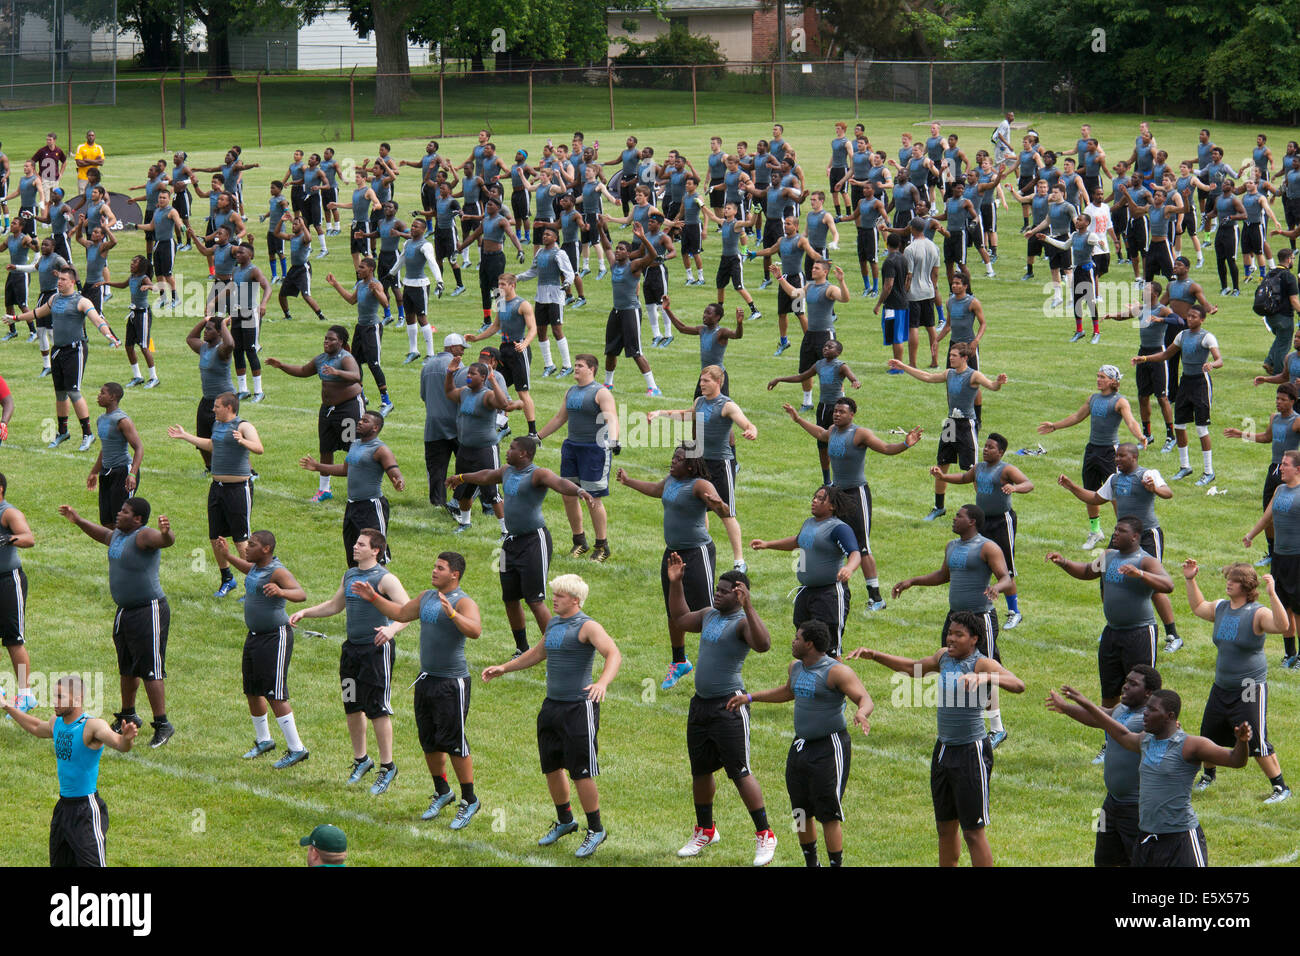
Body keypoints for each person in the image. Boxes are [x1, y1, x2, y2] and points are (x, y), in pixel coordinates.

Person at [848, 610, 1024, 866]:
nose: (951, 638)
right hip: (943, 751)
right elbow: (912, 668)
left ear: (974, 639)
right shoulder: (943, 658)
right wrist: (875, 655)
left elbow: (1018, 685)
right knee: (945, 828)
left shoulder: (981, 663)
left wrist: (984, 676)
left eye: (958, 635)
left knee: (973, 833)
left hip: (970, 753)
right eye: (950, 633)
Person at [481, 573, 622, 859]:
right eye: (554, 593)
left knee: (581, 770)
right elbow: (538, 652)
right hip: (552, 706)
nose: (553, 599)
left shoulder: (588, 626)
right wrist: (505, 668)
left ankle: (595, 829)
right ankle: (566, 820)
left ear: (575, 600)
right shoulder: (555, 623)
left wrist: (602, 683)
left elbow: (613, 654)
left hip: (578, 708)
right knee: (552, 766)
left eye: (559, 595)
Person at [352, 551, 485, 828]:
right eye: (434, 566)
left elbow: (475, 631)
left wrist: (453, 614)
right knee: (429, 740)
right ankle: (442, 791)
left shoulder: (463, 601)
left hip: (452, 683)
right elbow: (400, 613)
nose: (434, 570)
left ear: (454, 575)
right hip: (427, 680)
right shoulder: (426, 597)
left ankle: (469, 799)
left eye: (440, 568)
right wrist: (374, 598)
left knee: (455, 742)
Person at [665, 553, 777, 865]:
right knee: (700, 771)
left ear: (739, 594)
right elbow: (680, 620)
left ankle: (765, 834)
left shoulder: (741, 622)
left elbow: (764, 644)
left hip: (730, 705)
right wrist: (676, 584)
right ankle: (705, 829)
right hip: (701, 705)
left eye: (725, 591)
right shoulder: (709, 614)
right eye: (717, 588)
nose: (717, 593)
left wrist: (750, 606)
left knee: (739, 772)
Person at [1059, 684, 1250, 866]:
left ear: (1169, 716)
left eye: (1152, 710)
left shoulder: (1191, 745)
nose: (1145, 714)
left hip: (1180, 839)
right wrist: (1084, 702)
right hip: (1147, 837)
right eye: (1146, 708)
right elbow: (1119, 731)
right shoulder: (1145, 741)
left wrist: (1242, 742)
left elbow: (1235, 760)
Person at [732, 619, 870, 867]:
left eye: (797, 638)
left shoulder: (836, 671)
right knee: (800, 810)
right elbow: (788, 691)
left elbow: (864, 698)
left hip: (829, 747)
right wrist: (750, 697)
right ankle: (811, 863)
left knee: (828, 813)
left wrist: (861, 713)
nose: (793, 642)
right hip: (800, 747)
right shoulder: (796, 667)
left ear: (809, 643)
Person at [289, 528, 411, 795]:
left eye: (361, 544)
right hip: (351, 652)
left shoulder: (386, 579)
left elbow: (409, 611)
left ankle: (387, 766)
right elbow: (335, 605)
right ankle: (361, 760)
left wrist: (391, 630)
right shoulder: (350, 574)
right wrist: (306, 612)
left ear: (375, 550)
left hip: (376, 651)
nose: (355, 547)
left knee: (377, 708)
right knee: (352, 705)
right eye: (356, 543)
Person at [449, 435, 594, 657]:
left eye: (512, 448)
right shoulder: (507, 470)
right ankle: (522, 648)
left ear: (524, 454)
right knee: (510, 598)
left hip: (534, 541)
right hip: (510, 542)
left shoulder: (538, 474)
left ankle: (554, 650)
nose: (507, 451)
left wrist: (578, 490)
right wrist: (461, 477)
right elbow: (487, 475)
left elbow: (559, 482)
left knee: (535, 600)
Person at [892, 504, 1014, 745]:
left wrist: (996, 588)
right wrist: (912, 581)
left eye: (959, 516)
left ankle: (996, 728)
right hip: (955, 618)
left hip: (980, 619)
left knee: (983, 669)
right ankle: (960, 722)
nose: (954, 519)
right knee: (951, 666)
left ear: (972, 522)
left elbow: (1006, 577)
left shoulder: (987, 547)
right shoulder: (952, 546)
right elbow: (943, 575)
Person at [59, 497, 176, 747]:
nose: (119, 513)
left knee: (151, 668)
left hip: (149, 610)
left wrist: (167, 533)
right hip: (125, 611)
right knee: (127, 667)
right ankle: (128, 713)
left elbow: (164, 541)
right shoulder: (119, 536)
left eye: (124, 511)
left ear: (137, 519)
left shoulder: (143, 536)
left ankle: (163, 724)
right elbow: (102, 534)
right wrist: (78, 520)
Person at [618, 446, 729, 689]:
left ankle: (717, 663)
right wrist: (628, 481)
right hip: (672, 553)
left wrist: (717, 504)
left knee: (708, 612)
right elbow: (656, 490)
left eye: (679, 459)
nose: (673, 461)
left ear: (690, 465)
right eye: (674, 457)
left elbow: (725, 511)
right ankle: (679, 661)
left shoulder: (699, 485)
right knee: (673, 610)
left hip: (697, 553)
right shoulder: (670, 480)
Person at [1182, 560, 1290, 803]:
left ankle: (1280, 787)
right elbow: (1199, 606)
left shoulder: (1257, 613)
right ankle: (1209, 776)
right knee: (1208, 733)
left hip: (1250, 687)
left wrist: (1273, 593)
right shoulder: (1221, 608)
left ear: (1247, 585)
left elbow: (1282, 625)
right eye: (1228, 578)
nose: (1228, 582)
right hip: (1222, 685)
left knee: (1255, 738)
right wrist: (1190, 579)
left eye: (1234, 580)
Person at [2, 675, 138, 867]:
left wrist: (126, 739)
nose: (54, 702)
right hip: (63, 809)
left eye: (59, 697)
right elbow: (34, 726)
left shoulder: (92, 726)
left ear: (76, 700)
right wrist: (7, 706)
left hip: (86, 811)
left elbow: (119, 744)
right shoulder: (56, 723)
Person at [1045, 665, 1162, 866]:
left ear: (1148, 693)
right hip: (1110, 803)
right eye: (1126, 681)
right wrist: (1066, 708)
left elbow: (1116, 728)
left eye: (1133, 684)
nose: (1125, 687)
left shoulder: (1147, 721)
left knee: (1138, 861)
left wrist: (1082, 701)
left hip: (1136, 808)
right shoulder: (1122, 708)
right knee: (1103, 860)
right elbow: (1100, 715)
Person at [648, 365, 758, 572]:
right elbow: (686, 414)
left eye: (706, 381)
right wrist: (660, 413)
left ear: (718, 382)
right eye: (701, 381)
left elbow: (747, 424)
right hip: (699, 461)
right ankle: (699, 547)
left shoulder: (727, 406)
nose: (701, 384)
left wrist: (752, 431)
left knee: (726, 512)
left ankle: (739, 561)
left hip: (720, 464)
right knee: (699, 505)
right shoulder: (699, 402)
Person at [215, 530, 309, 769]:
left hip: (275, 637)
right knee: (252, 690)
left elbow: (301, 594)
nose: (246, 547)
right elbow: (250, 571)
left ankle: (297, 749)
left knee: (275, 693)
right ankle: (264, 740)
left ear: (266, 549)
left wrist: (281, 591)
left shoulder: (277, 571)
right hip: (255, 637)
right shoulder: (257, 567)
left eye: (253, 544)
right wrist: (226, 555)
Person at [889, 342, 1007, 521]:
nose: (950, 358)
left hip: (966, 426)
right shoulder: (949, 373)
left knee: (974, 471)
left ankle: (986, 509)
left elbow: (991, 385)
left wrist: (998, 382)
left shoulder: (973, 375)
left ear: (964, 358)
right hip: (950, 424)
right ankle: (939, 507)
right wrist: (903, 366)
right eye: (950, 355)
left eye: (954, 355)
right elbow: (928, 377)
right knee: (941, 463)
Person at [9, 265, 119, 451]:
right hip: (57, 350)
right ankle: (63, 432)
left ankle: (88, 434)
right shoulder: (54, 298)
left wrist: (108, 335)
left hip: (75, 350)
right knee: (60, 393)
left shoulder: (81, 301)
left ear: (72, 282)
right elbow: (37, 313)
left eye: (63, 279)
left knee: (73, 392)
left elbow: (96, 319)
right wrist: (16, 318)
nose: (59, 282)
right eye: (58, 279)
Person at [1037, 366, 1147, 549]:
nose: (1098, 379)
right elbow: (1077, 416)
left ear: (1113, 381)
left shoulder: (1120, 402)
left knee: (1115, 494)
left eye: (1102, 377)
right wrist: (1055, 426)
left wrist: (1140, 436)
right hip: (1092, 450)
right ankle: (1095, 531)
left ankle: (1124, 532)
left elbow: (1131, 421)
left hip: (1110, 453)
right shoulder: (1093, 399)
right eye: (1097, 376)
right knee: (1090, 491)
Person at [167, 391, 264, 598]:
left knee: (241, 539)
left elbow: (259, 448)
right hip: (217, 488)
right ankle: (227, 578)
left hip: (238, 489)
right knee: (216, 537)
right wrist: (186, 437)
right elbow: (212, 445)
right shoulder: (217, 425)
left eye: (217, 406)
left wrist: (243, 441)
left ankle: (252, 585)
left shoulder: (243, 426)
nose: (213, 409)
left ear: (229, 407)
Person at [931, 432, 1032, 629]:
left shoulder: (1006, 470)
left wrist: (1015, 489)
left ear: (1001, 452)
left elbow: (1028, 484)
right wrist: (943, 476)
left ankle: (1014, 612)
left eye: (991, 447)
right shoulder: (979, 468)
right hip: (981, 522)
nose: (986, 450)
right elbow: (963, 477)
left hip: (1002, 521)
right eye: (985, 446)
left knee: (1007, 569)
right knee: (979, 561)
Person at [751, 486, 862, 657]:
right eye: (814, 497)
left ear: (832, 506)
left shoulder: (839, 528)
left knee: (829, 651)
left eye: (820, 498)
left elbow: (855, 553)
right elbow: (797, 541)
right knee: (805, 646)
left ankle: (842, 683)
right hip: (805, 592)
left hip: (829, 595)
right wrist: (767, 544)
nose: (814, 501)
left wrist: (849, 568)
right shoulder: (809, 523)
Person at [536, 353, 620, 562]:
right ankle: (579, 541)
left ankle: (602, 546)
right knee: (568, 495)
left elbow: (612, 417)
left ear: (591, 369)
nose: (576, 368)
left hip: (594, 449)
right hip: (572, 447)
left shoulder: (600, 392)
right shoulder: (571, 391)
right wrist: (537, 437)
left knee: (593, 498)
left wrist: (615, 440)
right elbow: (559, 418)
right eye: (575, 365)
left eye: (580, 366)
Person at [265, 326, 363, 502]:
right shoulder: (321, 359)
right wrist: (281, 366)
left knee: (352, 448)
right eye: (325, 338)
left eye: (331, 339)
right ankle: (324, 489)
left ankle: (357, 488)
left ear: (341, 342)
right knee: (325, 448)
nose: (326, 341)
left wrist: (337, 372)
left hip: (348, 408)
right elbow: (303, 371)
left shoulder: (345, 358)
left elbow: (356, 376)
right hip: (327, 410)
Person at [299, 410, 404, 566]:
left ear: (375, 428)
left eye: (365, 421)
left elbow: (394, 471)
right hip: (352, 507)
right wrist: (318, 466)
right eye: (360, 419)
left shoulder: (380, 449)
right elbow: (346, 470)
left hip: (371, 507)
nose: (360, 422)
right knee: (354, 554)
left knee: (375, 555)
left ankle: (380, 588)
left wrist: (398, 481)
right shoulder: (355, 444)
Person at [1131, 305, 1221, 484]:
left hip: (1201, 384)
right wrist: (1146, 358)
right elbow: (1165, 355)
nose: (1190, 319)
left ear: (1202, 319)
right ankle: (1185, 466)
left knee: (1201, 428)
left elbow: (1219, 359)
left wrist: (1212, 365)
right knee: (1179, 426)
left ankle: (1208, 471)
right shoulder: (1182, 336)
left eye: (1194, 316)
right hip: (1185, 382)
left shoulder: (1207, 337)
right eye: (1188, 316)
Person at [1231, 383, 1300, 581]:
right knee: (1268, 512)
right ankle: (1271, 552)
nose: (1278, 402)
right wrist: (1241, 434)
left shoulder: (1296, 422)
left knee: (1284, 511)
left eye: (1283, 400)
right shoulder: (1274, 418)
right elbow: (1267, 437)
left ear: (1293, 401)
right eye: (1277, 398)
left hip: (1288, 470)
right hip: (1274, 470)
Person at [443, 355, 518, 534]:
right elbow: (448, 392)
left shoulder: (488, 395)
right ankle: (465, 523)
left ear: (483, 378)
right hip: (465, 448)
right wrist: (449, 373)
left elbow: (503, 404)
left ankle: (505, 531)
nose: (468, 376)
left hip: (485, 449)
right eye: (468, 373)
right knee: (462, 488)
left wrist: (494, 380)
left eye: (473, 374)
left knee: (492, 492)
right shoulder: (463, 393)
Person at [1102, 280, 1180, 449]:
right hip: (1142, 353)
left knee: (1162, 397)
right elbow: (1125, 315)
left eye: (1145, 289)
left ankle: (1170, 436)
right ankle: (1147, 435)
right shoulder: (1141, 309)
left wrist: (1160, 319)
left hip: (1158, 354)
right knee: (1143, 396)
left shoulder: (1162, 309)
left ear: (1154, 294)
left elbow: (1178, 321)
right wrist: (1110, 316)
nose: (1142, 292)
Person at [768, 338, 860, 481]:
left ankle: (841, 477)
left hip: (836, 409)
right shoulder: (819, 365)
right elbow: (801, 377)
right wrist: (779, 379)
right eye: (825, 346)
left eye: (830, 347)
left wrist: (855, 382)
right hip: (823, 408)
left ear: (838, 352)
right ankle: (827, 480)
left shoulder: (841, 366)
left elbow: (852, 377)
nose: (826, 348)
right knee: (822, 444)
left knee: (837, 444)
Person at [1245, 449, 1300, 667]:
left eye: (1285, 465)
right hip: (1279, 557)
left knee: (1298, 609)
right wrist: (1250, 535)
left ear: (1298, 469)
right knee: (1283, 605)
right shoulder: (1279, 490)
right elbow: (1267, 517)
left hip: (1297, 559)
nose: (1281, 468)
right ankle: (1290, 653)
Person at [467, 273, 539, 437]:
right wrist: (477, 338)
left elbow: (533, 328)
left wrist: (524, 344)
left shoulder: (523, 304)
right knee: (497, 387)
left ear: (512, 285)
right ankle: (503, 426)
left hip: (519, 351)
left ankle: (533, 432)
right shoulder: (500, 302)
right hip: (504, 350)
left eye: (502, 284)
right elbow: (496, 326)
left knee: (523, 392)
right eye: (498, 284)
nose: (499, 287)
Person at [326, 259, 392, 417]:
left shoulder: (376, 284)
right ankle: (360, 394)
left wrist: (376, 291)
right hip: (360, 327)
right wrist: (335, 284)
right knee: (354, 363)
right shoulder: (360, 285)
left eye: (361, 267)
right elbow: (351, 299)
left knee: (373, 364)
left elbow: (385, 304)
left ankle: (387, 401)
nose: (358, 269)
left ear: (370, 269)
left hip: (372, 328)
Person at [600, 228, 662, 395]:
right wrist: (600, 227)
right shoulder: (614, 265)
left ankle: (653, 387)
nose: (617, 251)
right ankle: (608, 384)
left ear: (628, 253)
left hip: (630, 311)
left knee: (636, 351)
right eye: (617, 248)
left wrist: (643, 237)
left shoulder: (634, 265)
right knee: (611, 350)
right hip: (617, 312)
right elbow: (606, 246)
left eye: (621, 249)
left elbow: (652, 255)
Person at [0, 474, 36, 712]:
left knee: (14, 639)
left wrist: (7, 538)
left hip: (7, 581)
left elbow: (28, 538)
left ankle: (25, 695)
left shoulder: (9, 513)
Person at [420, 333, 466, 515]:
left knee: (436, 467)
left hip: (433, 424)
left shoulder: (427, 366)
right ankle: (461, 499)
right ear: (453, 348)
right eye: (461, 348)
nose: (462, 352)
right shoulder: (458, 365)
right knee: (465, 464)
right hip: (456, 424)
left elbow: (423, 395)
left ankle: (437, 502)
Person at [87, 383, 143, 529]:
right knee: (106, 522)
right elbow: (105, 448)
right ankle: (115, 550)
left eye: (102, 393)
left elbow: (139, 448)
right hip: (106, 472)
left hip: (122, 472)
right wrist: (94, 472)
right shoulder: (101, 419)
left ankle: (132, 548)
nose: (99, 396)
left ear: (113, 397)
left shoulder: (122, 420)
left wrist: (132, 474)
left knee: (122, 522)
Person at [73, 131, 103, 197]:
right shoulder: (81, 147)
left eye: (92, 135)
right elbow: (79, 163)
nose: (91, 137)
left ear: (95, 137)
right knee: (81, 196)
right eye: (89, 135)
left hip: (95, 178)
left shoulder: (98, 148)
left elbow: (101, 162)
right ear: (86, 137)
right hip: (83, 176)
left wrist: (87, 160)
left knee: (95, 196)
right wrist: (95, 161)